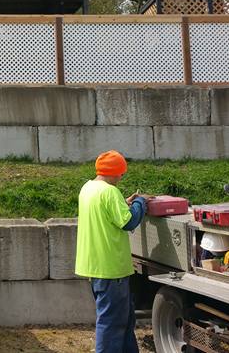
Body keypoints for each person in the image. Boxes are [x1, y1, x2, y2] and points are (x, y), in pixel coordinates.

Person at [75, 150, 147, 353]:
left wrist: (123, 203)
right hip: (111, 267)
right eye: (121, 173)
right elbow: (129, 221)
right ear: (115, 172)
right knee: (112, 322)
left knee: (122, 319)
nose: (121, 177)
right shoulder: (110, 192)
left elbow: (105, 211)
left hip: (94, 266)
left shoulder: (88, 188)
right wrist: (141, 202)